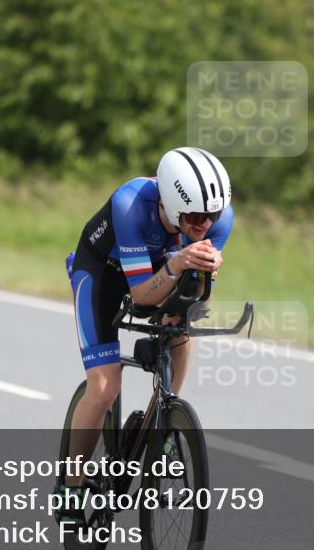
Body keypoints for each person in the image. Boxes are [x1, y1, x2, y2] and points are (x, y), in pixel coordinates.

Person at [57, 147, 233, 524]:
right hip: (102, 272)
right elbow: (140, 296)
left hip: (160, 269)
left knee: (182, 330)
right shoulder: (131, 203)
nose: (206, 225)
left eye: (213, 215)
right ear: (171, 204)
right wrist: (178, 263)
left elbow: (198, 299)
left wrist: (204, 279)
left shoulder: (219, 220)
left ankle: (165, 421)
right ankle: (70, 487)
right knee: (105, 386)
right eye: (197, 216)